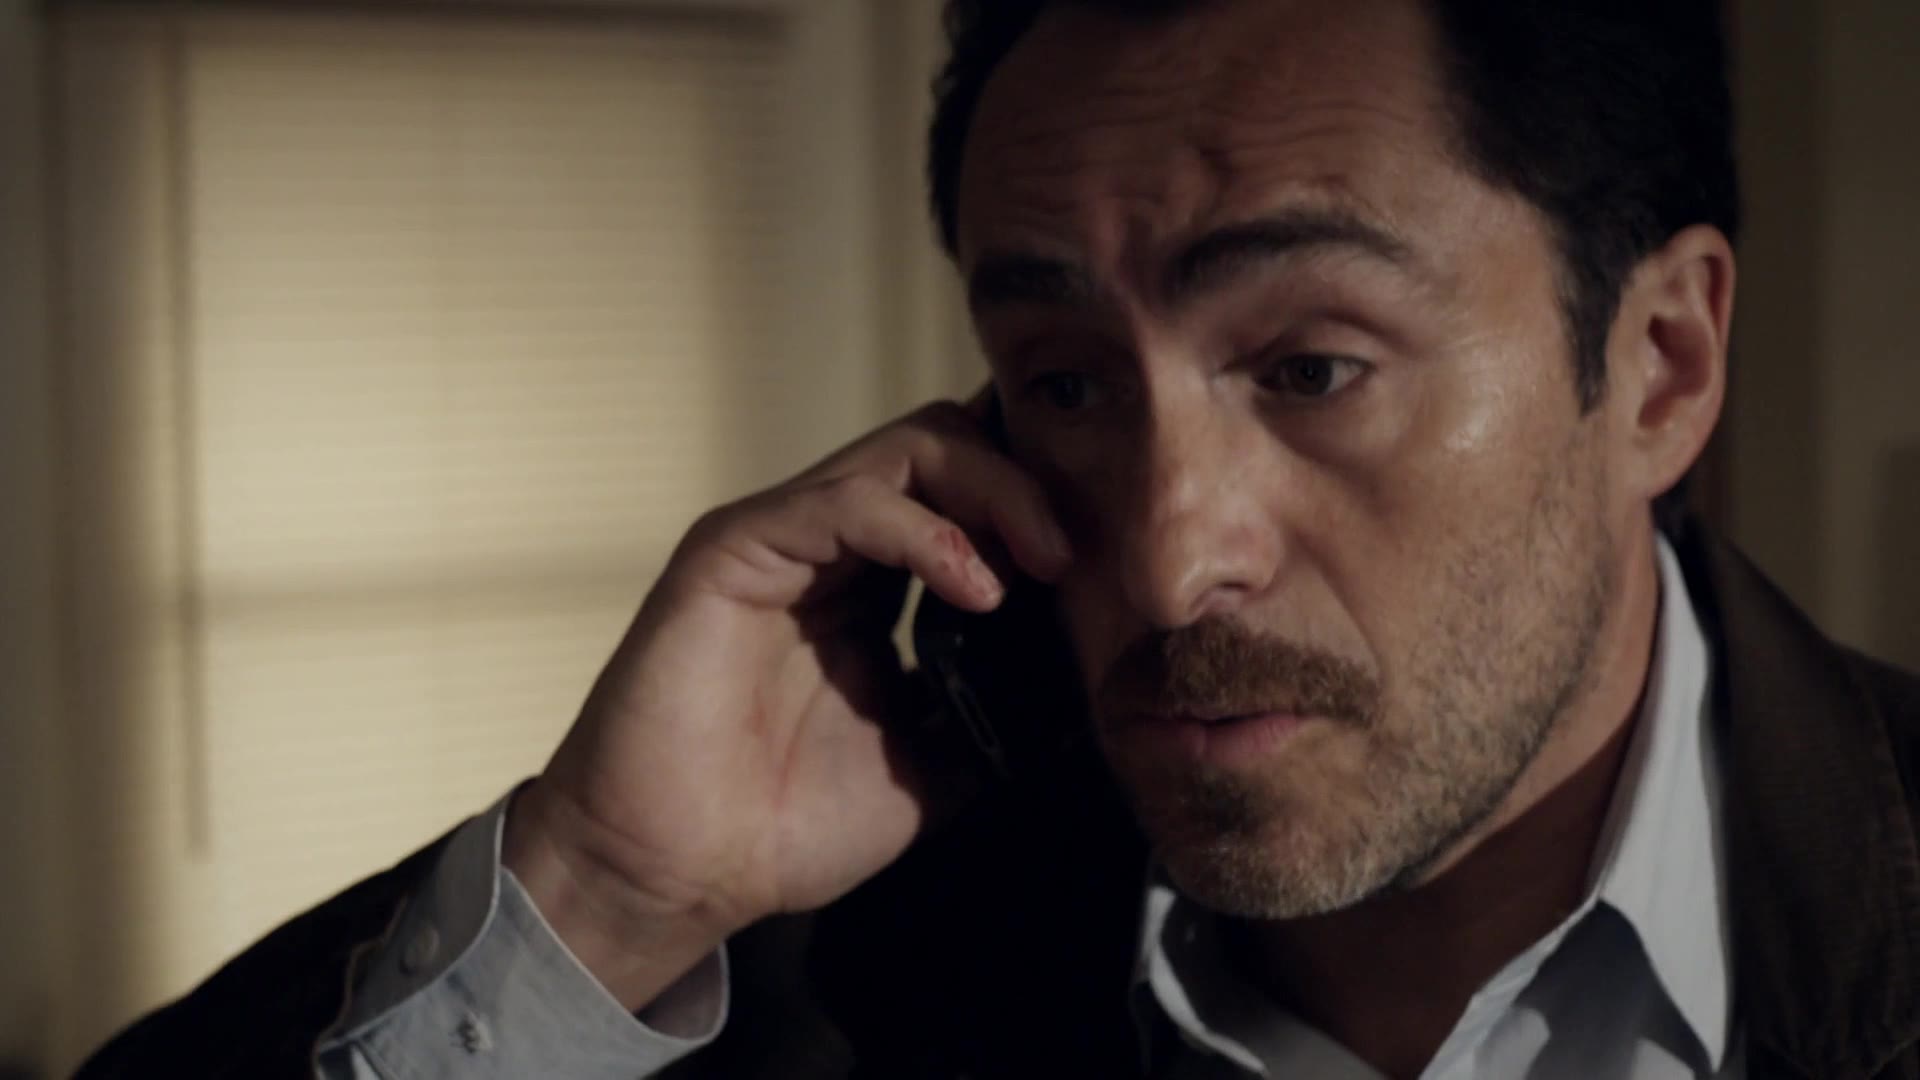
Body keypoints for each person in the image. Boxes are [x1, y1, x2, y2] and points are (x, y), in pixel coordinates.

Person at [76, 1, 1920, 1078]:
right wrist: (602, 894)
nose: (1171, 562)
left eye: (1310, 366)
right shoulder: (823, 974)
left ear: (1660, 368)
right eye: (1068, 383)